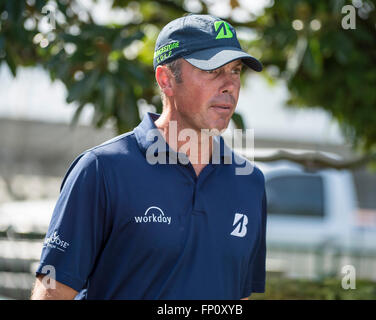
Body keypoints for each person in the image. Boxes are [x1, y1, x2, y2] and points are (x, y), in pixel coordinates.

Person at [31, 14, 267, 300]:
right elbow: (52, 292)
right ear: (166, 80)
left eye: (235, 70)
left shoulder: (250, 182)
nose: (229, 85)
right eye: (212, 70)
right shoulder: (102, 170)